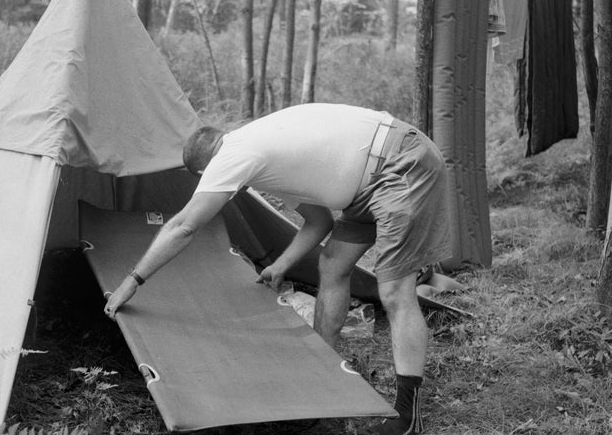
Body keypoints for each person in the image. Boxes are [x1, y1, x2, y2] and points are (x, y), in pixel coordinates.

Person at [104, 103, 451, 435]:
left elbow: (185, 226)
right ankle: (324, 371)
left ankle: (408, 415)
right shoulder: (264, 160)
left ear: (205, 170)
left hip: (401, 163)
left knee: (394, 290)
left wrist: (132, 281)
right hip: (365, 183)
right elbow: (318, 222)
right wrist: (280, 265)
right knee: (332, 264)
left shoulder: (235, 153)